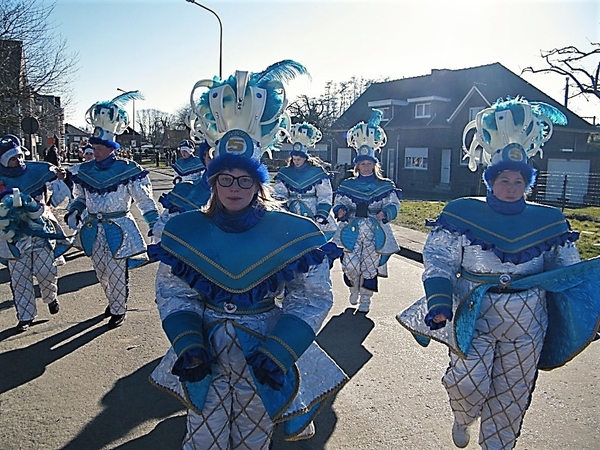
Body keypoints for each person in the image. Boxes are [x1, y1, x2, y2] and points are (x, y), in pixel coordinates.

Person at [149, 61, 348, 449]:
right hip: (204, 350)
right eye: (225, 179)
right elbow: (174, 294)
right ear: (213, 182)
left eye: (244, 179)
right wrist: (188, 343)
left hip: (264, 350)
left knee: (253, 440)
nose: (234, 187)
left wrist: (280, 349)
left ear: (258, 184)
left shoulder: (293, 232)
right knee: (202, 438)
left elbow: (311, 297)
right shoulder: (186, 230)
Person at [397, 97, 600, 449]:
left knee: (513, 392)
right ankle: (462, 417)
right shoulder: (462, 213)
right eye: (503, 179)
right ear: (491, 181)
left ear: (527, 183)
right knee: (467, 383)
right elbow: (440, 260)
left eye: (518, 180)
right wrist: (440, 301)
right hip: (474, 312)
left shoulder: (549, 221)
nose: (510, 186)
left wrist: (589, 314)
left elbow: (568, 273)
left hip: (529, 317)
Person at [64, 90, 159, 329]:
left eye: (99, 146)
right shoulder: (84, 170)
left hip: (120, 227)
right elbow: (79, 198)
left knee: (117, 270)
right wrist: (74, 211)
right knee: (101, 271)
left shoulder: (129, 170)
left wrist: (155, 226)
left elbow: (145, 201)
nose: (94, 149)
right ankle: (114, 299)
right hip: (93, 228)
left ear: (110, 147)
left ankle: (118, 308)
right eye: (93, 145)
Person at [332, 109, 401, 313]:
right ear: (357, 165)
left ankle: (366, 300)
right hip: (351, 228)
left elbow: (393, 204)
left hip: (374, 229)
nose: (365, 167)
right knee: (350, 264)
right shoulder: (347, 184)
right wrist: (341, 210)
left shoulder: (385, 184)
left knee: (370, 266)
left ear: (374, 165)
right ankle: (353, 286)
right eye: (362, 164)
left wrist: (385, 213)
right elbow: (340, 201)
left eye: (369, 164)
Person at [0, 134, 70, 332]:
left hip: (41, 230)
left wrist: (61, 179)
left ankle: (50, 297)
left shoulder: (37, 171)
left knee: (46, 272)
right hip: (13, 235)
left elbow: (55, 195)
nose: (19, 161)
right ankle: (25, 316)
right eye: (13, 158)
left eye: (20, 156)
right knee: (19, 278)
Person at [273, 122, 337, 239]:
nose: (297, 161)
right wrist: (282, 207)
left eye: (299, 158)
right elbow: (280, 192)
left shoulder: (317, 172)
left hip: (313, 212)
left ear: (305, 158)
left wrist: (321, 213)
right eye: (294, 158)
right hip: (292, 211)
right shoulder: (285, 173)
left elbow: (325, 194)